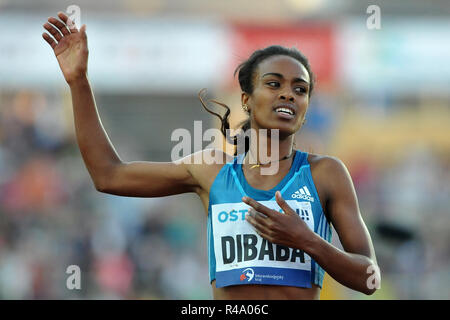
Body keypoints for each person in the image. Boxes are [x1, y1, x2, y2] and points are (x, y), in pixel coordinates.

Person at [42, 12, 380, 300]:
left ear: (306, 109)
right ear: (246, 100)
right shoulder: (211, 170)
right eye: (274, 84)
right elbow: (108, 175)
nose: (288, 95)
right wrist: (78, 82)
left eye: (300, 89)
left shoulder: (326, 174)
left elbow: (370, 279)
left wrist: (307, 241)